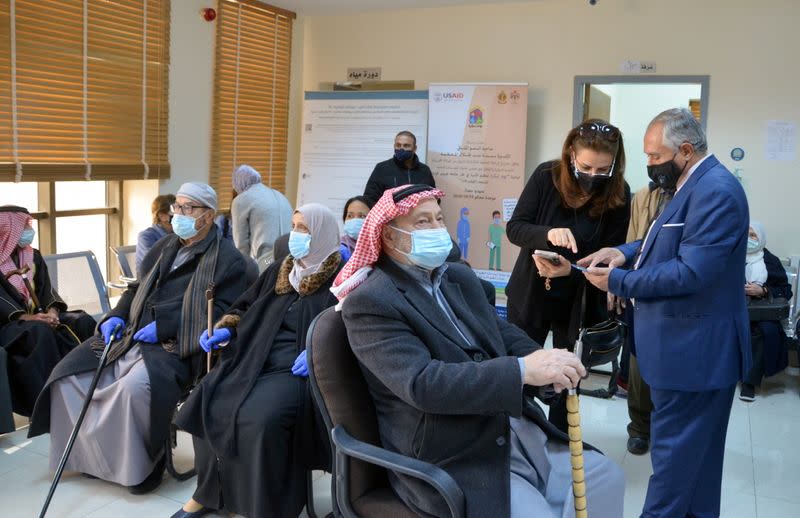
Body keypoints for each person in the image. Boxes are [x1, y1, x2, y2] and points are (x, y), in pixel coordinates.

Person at [334, 184, 624, 518]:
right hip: (454, 453)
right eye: (423, 222)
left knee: (607, 478)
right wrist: (522, 371)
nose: (437, 229)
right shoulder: (372, 302)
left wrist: (548, 365)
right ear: (388, 236)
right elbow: (423, 384)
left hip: (511, 428)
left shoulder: (455, 276)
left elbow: (499, 331)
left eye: (439, 219)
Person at [578, 108, 750, 518]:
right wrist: (619, 252)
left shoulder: (715, 192)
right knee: (697, 468)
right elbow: (658, 241)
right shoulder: (689, 185)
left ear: (685, 151)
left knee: (673, 471)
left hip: (694, 356)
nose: (650, 165)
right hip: (683, 351)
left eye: (655, 157)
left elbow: (692, 271)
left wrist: (617, 282)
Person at [28, 183, 249, 494]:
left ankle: (143, 469)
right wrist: (116, 314)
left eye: (189, 208)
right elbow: (135, 288)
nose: (179, 214)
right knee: (68, 377)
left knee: (133, 390)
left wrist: (165, 326)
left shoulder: (229, 260)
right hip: (130, 334)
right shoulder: (165, 246)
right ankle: (91, 459)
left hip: (176, 346)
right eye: (178, 207)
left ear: (209, 215)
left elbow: (225, 311)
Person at [172, 203, 342, 518]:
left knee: (259, 419)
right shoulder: (281, 270)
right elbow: (245, 306)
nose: (296, 235)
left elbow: (350, 329)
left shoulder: (342, 281)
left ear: (321, 234)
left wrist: (322, 351)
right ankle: (210, 493)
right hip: (254, 356)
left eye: (304, 229)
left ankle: (263, 507)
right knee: (209, 398)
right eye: (294, 226)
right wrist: (226, 330)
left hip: (297, 371)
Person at [505, 119, 630, 432]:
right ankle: (518, 439)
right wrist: (549, 234)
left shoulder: (619, 193)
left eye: (603, 170)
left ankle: (558, 440)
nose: (593, 176)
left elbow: (608, 257)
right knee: (520, 371)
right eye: (586, 166)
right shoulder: (546, 176)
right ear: (571, 154)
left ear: (615, 164)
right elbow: (515, 228)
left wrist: (571, 271)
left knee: (567, 380)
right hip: (531, 292)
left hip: (578, 299)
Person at [0, 206, 97, 417]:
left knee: (83, 321)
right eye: (23, 226)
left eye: (28, 225)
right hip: (8, 325)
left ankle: (93, 388)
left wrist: (52, 311)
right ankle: (49, 401)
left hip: (39, 316)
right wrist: (29, 317)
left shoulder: (32, 256)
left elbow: (47, 290)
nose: (28, 230)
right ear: (8, 229)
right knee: (39, 332)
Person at [616, 182, 674, 456]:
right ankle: (639, 428)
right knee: (639, 362)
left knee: (670, 365)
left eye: (657, 155)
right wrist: (623, 281)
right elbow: (633, 239)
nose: (653, 162)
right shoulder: (643, 196)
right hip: (641, 289)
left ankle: (666, 428)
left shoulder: (695, 195)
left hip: (675, 292)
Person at [740, 221, 792, 401]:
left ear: (761, 238)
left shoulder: (770, 260)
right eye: (745, 234)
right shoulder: (732, 256)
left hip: (763, 310)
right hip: (736, 308)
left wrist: (763, 290)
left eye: (753, 236)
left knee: (764, 330)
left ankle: (749, 382)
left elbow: (786, 291)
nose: (749, 239)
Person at [230, 164, 293, 272]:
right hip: (289, 257)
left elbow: (241, 243)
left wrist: (244, 270)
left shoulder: (241, 200)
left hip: (264, 261)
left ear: (237, 183)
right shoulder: (279, 195)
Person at [362, 130, 436, 205]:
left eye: (406, 145)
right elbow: (369, 198)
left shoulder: (425, 170)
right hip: (390, 216)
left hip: (419, 215)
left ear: (414, 148)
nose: (401, 148)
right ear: (394, 146)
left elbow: (434, 197)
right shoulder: (381, 168)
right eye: (398, 145)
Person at [136, 194, 175, 276]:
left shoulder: (178, 235)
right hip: (151, 284)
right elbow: (156, 265)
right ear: (162, 216)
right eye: (175, 213)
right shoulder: (146, 237)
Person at [339, 195, 372, 262]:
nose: (355, 220)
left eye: (362, 216)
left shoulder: (380, 248)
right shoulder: (340, 250)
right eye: (350, 216)